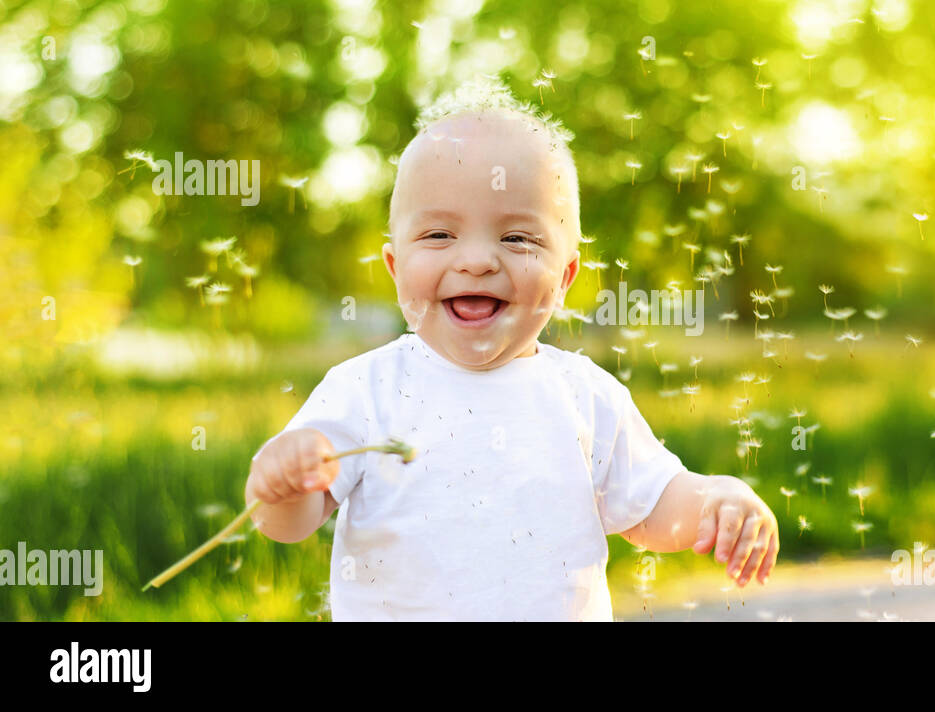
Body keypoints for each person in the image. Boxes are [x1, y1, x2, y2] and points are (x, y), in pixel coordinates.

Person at [245, 76, 779, 621]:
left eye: (517, 238)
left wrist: (714, 500)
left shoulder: (586, 395)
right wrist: (279, 486)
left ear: (565, 275)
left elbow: (653, 507)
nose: (477, 261)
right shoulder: (365, 391)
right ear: (395, 267)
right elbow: (289, 523)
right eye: (438, 236)